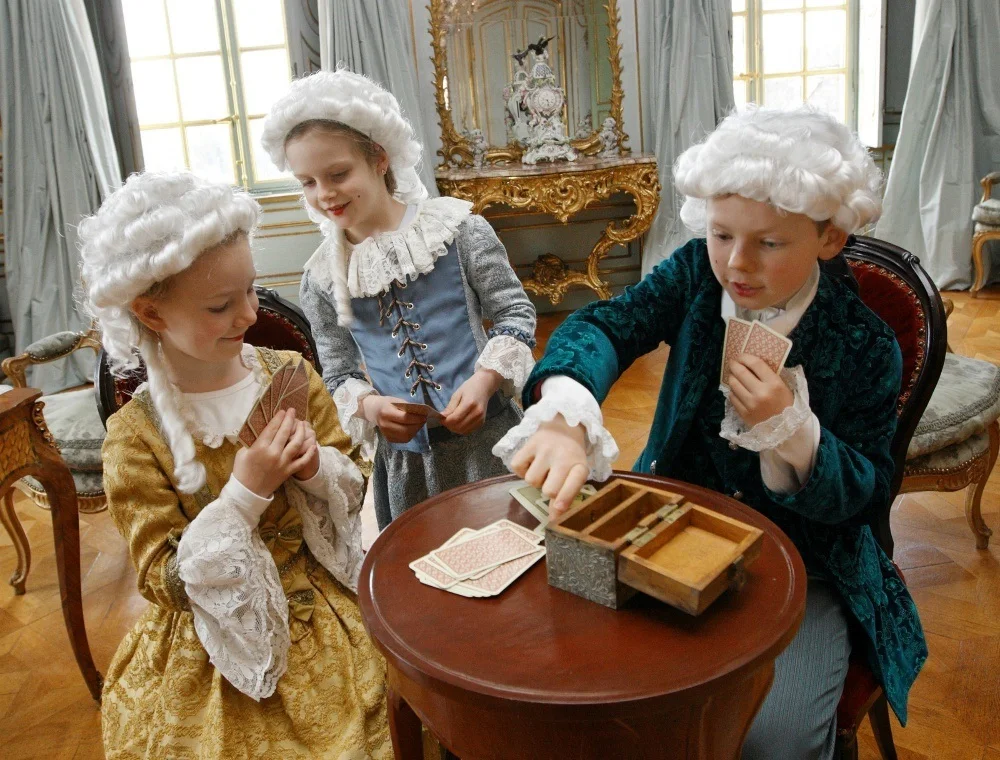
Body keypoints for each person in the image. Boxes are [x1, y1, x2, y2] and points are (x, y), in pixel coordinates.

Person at [494, 106, 927, 760]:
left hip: (804, 568)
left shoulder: (865, 343)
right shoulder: (697, 274)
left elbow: (867, 493)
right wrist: (565, 405)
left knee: (771, 743)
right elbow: (605, 327)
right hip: (668, 527)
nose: (736, 263)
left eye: (769, 243)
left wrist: (795, 435)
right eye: (722, 234)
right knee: (572, 684)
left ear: (829, 238)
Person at [83, 171, 389, 759]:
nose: (249, 314)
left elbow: (356, 488)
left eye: (252, 290)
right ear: (151, 314)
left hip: (326, 601)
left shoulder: (289, 375)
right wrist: (243, 495)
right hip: (222, 637)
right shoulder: (134, 437)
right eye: (222, 305)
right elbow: (163, 579)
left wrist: (315, 470)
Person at [260, 69, 537, 529]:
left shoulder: (459, 231)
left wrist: (487, 379)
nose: (324, 193)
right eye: (307, 181)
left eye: (338, 173)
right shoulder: (321, 279)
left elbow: (515, 312)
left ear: (380, 159)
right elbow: (339, 371)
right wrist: (370, 407)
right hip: (409, 465)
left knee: (510, 554)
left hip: (489, 441)